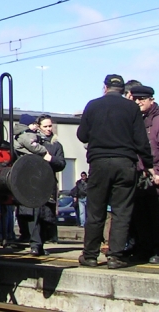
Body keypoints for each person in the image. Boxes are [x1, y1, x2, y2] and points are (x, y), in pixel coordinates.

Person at [77, 74, 154, 269]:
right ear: (124, 91)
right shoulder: (131, 108)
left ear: (105, 88)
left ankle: (90, 255)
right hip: (125, 163)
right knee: (121, 211)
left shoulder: (92, 105)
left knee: (96, 210)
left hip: (99, 163)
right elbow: (141, 141)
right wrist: (149, 165)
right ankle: (115, 256)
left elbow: (81, 135)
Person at [25, 115, 65, 256]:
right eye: (45, 126)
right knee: (35, 214)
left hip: (48, 183)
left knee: (47, 215)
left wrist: (51, 159)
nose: (49, 129)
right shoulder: (32, 141)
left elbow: (61, 163)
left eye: (50, 126)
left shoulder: (56, 144)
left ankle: (41, 243)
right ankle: (35, 245)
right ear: (39, 126)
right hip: (34, 182)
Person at [129, 85, 159, 264]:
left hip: (154, 174)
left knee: (155, 216)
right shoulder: (135, 119)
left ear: (151, 100)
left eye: (142, 99)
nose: (138, 102)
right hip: (139, 175)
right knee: (140, 216)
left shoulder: (157, 120)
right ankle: (143, 248)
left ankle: (156, 249)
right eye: (136, 99)